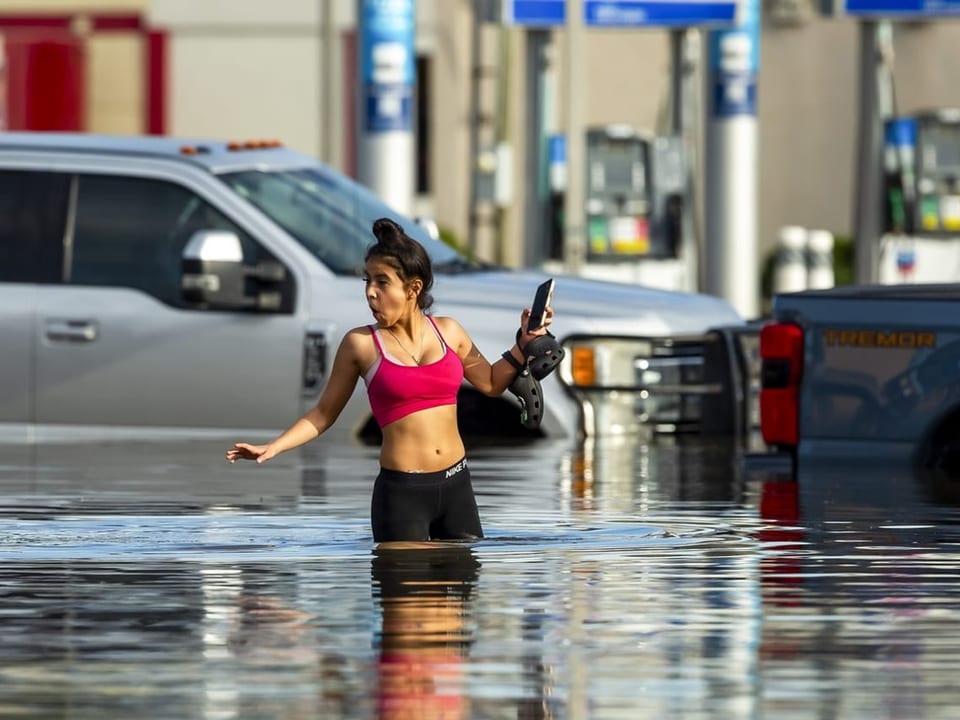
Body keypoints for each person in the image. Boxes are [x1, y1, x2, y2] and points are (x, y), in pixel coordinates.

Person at [226, 217, 554, 544]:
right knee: (406, 591)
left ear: (413, 288)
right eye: (367, 281)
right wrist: (274, 446)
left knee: (459, 593)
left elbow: (493, 383)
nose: (370, 293)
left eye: (382, 282)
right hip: (402, 495)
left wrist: (523, 344)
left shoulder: (449, 332)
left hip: (457, 486)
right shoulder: (361, 344)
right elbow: (323, 414)